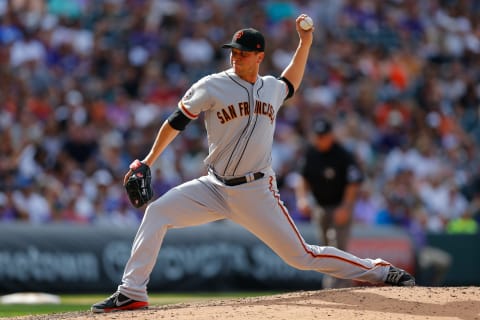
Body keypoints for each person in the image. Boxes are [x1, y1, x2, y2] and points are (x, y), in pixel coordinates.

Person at [91, 15, 414, 313]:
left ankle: (380, 271)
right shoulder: (211, 85)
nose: (236, 56)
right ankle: (132, 291)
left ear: (259, 56)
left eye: (244, 52)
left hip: (257, 190)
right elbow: (176, 120)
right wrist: (148, 160)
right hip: (214, 186)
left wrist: (305, 43)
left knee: (302, 257)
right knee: (157, 212)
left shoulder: (271, 88)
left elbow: (291, 82)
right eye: (234, 51)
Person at [295, 117, 364, 288]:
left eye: (323, 135)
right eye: (318, 136)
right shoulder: (311, 154)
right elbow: (302, 179)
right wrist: (302, 199)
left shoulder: (342, 154)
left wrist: (346, 207)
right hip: (320, 207)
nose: (320, 139)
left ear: (331, 136)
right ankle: (330, 284)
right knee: (323, 247)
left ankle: (343, 284)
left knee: (339, 246)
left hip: (340, 205)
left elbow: (353, 182)